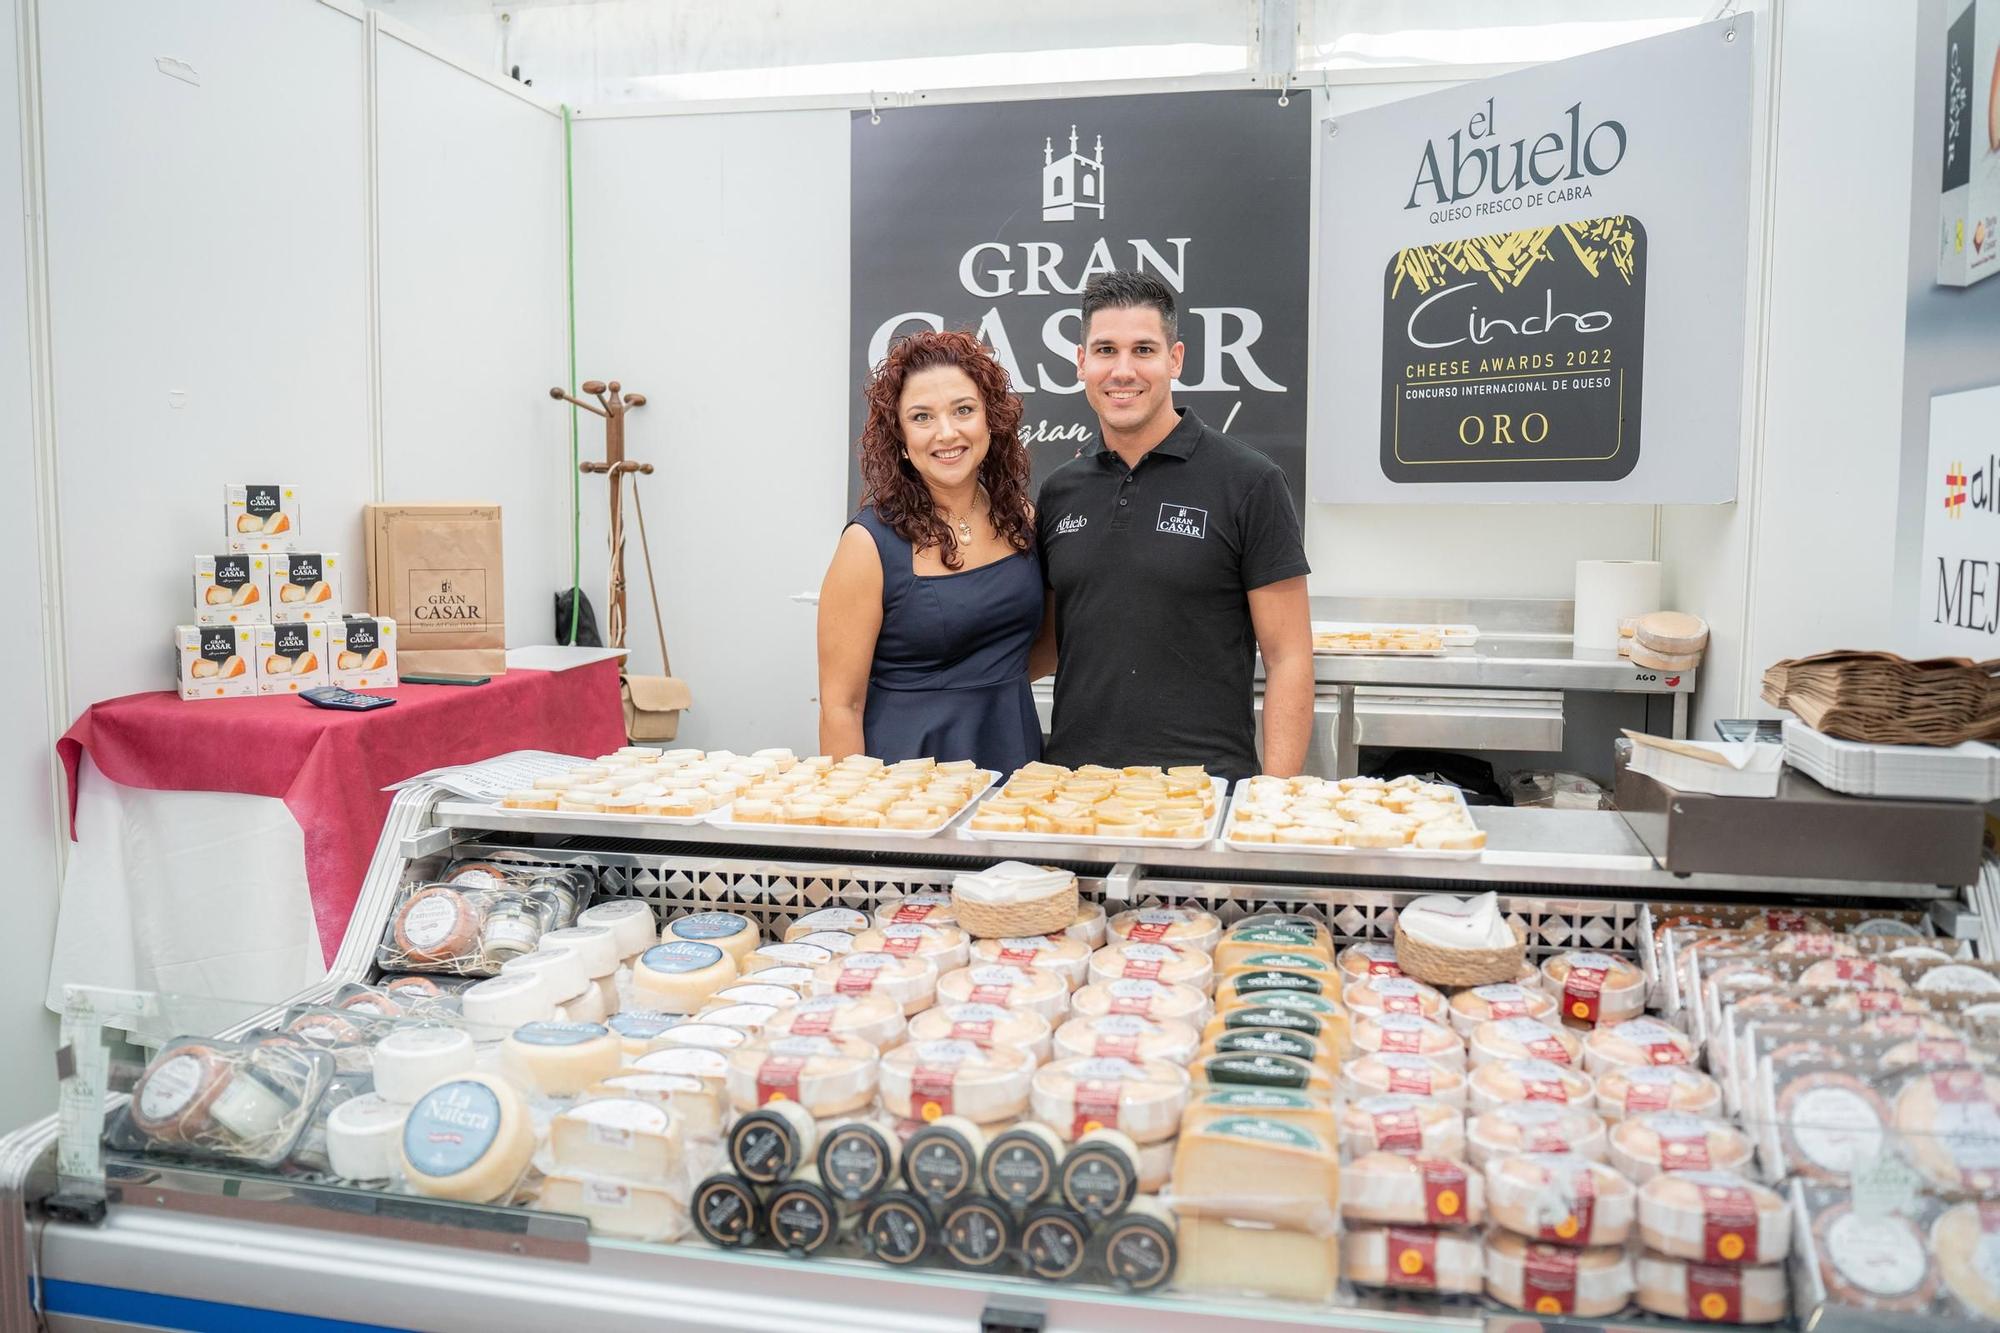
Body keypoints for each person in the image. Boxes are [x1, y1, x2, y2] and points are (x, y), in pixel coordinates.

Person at [1033, 270, 1314, 780]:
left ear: (1175, 359)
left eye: (1143, 350)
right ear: (1081, 363)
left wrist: (1274, 797)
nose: (1123, 371)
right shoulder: (1058, 492)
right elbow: (1049, 642)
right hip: (1074, 792)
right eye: (1105, 350)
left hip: (1206, 793)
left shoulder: (1250, 482)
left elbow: (1289, 657)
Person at [817, 329, 1044, 773]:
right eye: (922, 417)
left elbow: (1042, 646)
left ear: (989, 420)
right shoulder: (867, 546)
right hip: (907, 780)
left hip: (1017, 764)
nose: (947, 433)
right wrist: (857, 822)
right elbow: (840, 706)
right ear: (900, 436)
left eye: (964, 410)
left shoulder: (1024, 519)